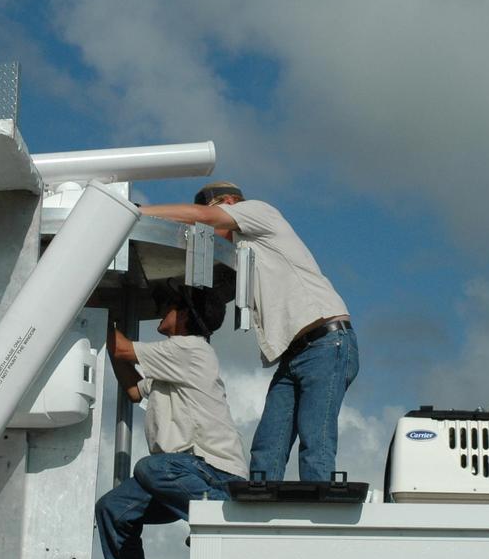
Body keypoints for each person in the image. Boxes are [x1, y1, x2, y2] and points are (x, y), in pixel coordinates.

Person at [140, 183, 358, 483]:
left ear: (229, 203)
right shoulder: (246, 253)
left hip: (325, 342)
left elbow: (200, 216)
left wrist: (137, 214)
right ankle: (257, 520)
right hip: (295, 354)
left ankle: (317, 521)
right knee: (267, 448)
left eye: (215, 221)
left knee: (315, 443)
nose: (214, 236)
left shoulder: (259, 212)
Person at [94, 280, 246, 559]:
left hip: (212, 471)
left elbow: (122, 350)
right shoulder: (172, 360)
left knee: (149, 468)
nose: (163, 311)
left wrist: (96, 307)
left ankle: (221, 521)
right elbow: (134, 389)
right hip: (176, 473)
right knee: (112, 509)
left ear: (185, 318)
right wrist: (110, 333)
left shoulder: (190, 350)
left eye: (171, 306)